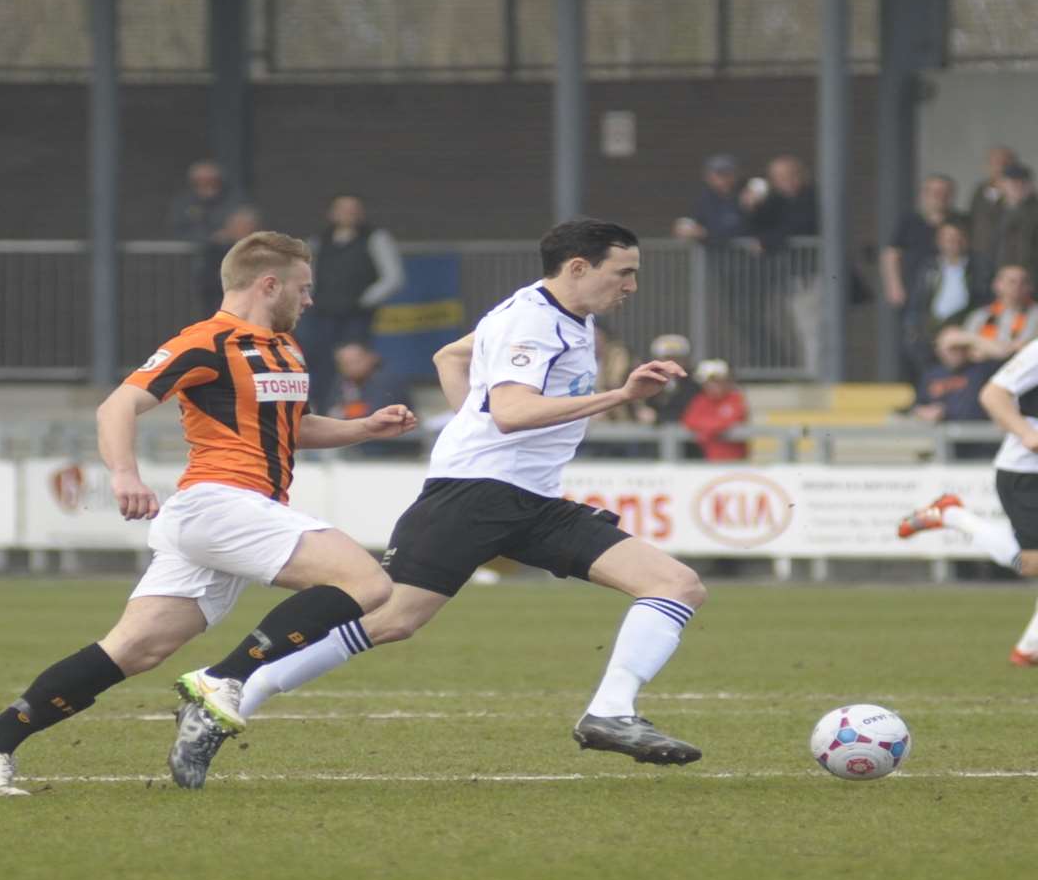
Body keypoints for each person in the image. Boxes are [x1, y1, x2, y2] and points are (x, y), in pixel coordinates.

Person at [169, 219, 707, 788]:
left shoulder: (547, 314)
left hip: (529, 498)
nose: (631, 285)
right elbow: (511, 413)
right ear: (578, 267)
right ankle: (225, 697)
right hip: (475, 496)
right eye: (623, 273)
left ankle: (610, 713)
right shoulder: (532, 320)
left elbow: (450, 357)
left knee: (675, 584)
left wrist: (468, 425)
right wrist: (620, 395)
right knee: (389, 619)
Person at [0, 231, 416, 796]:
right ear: (269, 284)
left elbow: (293, 428)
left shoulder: (286, 348)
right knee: (366, 581)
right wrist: (124, 474)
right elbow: (119, 403)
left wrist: (364, 427)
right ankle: (226, 678)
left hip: (240, 514)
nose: (310, 301)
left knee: (135, 649)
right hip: (217, 503)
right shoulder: (205, 341)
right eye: (303, 289)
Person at [899, 333, 1038, 666]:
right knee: (1032, 564)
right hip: (1027, 472)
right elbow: (993, 394)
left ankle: (1029, 648)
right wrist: (1026, 434)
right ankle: (953, 516)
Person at [303, 195, 405, 409]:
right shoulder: (318, 240)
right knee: (320, 361)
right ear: (331, 213)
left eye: (353, 209)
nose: (348, 214)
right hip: (322, 313)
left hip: (356, 315)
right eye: (342, 209)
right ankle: (323, 408)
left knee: (356, 362)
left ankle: (358, 408)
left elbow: (393, 277)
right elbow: (307, 273)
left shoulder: (375, 238)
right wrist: (310, 297)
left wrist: (365, 300)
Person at [884, 174, 962, 373]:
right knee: (912, 342)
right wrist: (894, 285)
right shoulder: (909, 221)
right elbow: (891, 254)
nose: (939, 197)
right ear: (924, 194)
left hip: (947, 294)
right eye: (934, 192)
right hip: (914, 292)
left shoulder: (959, 221)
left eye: (944, 192)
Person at [903, 222, 989, 376]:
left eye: (957, 238)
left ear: (966, 240)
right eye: (948, 238)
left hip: (963, 329)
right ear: (939, 241)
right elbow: (917, 303)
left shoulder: (979, 267)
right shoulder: (928, 267)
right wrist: (913, 331)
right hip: (930, 332)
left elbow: (982, 302)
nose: (953, 243)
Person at [954, 264, 1038, 364]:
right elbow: (968, 351)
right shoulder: (981, 315)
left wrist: (976, 342)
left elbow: (1026, 348)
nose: (1018, 286)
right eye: (1012, 282)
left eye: (1024, 282)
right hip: (980, 368)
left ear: (1031, 287)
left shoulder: (1035, 313)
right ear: (997, 285)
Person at [911, 326, 992, 425]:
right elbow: (917, 406)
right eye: (951, 348)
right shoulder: (931, 374)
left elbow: (1004, 352)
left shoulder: (981, 369)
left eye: (960, 347)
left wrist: (970, 339)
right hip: (942, 435)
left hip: (975, 433)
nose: (956, 352)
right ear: (939, 350)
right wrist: (926, 412)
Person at [973, 162, 1038, 283]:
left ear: (1030, 186)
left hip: (1028, 281)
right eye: (1012, 182)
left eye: (1022, 182)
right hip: (993, 278)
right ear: (1002, 184)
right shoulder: (989, 213)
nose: (1017, 186)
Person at [194, 205, 262, 312]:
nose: (241, 231)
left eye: (245, 227)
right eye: (237, 226)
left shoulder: (261, 251)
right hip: (221, 302)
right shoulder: (217, 251)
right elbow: (206, 279)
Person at [680, 359, 749, 462]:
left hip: (734, 462)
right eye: (708, 382)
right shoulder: (701, 400)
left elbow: (729, 420)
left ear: (726, 381)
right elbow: (689, 420)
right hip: (707, 462)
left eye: (717, 381)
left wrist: (705, 431)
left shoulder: (735, 398)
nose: (712, 385)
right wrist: (711, 427)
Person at [670, 154, 749, 245]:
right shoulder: (704, 200)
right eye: (718, 174)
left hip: (743, 257)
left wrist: (706, 233)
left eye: (727, 174)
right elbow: (690, 222)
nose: (723, 179)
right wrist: (684, 229)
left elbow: (742, 230)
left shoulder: (746, 196)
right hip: (713, 257)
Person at [166, 159, 243, 245]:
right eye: (201, 180)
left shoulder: (233, 200)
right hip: (193, 253)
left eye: (212, 180)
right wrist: (209, 238)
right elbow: (178, 229)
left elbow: (241, 223)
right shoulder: (183, 203)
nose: (206, 184)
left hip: (225, 251)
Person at [632, 334, 698, 427]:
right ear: (656, 360)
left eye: (677, 359)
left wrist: (657, 417)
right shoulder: (645, 381)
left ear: (685, 361)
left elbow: (692, 413)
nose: (672, 363)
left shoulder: (693, 385)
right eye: (667, 358)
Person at [967, 145, 1017, 223]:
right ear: (988, 166)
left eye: (1005, 163)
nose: (1001, 167)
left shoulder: (1023, 192)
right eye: (997, 162)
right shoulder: (980, 191)